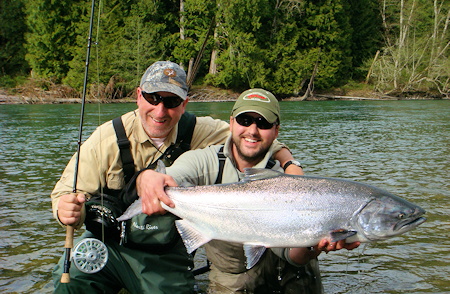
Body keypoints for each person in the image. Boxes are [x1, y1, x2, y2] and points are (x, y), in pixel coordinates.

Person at [51, 61, 301, 293]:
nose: (160, 111)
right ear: (138, 96)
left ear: (184, 104)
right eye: (152, 98)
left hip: (164, 255)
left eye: (171, 102)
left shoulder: (202, 130)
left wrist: (290, 165)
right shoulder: (105, 139)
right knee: (70, 281)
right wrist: (66, 211)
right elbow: (64, 194)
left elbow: (253, 137)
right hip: (108, 244)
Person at [136, 88, 360, 293]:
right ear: (231, 123)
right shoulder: (203, 161)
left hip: (290, 271)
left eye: (263, 123)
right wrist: (148, 178)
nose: (252, 131)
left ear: (276, 131)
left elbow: (294, 257)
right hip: (232, 276)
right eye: (245, 120)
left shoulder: (289, 179)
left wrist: (315, 247)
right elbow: (169, 178)